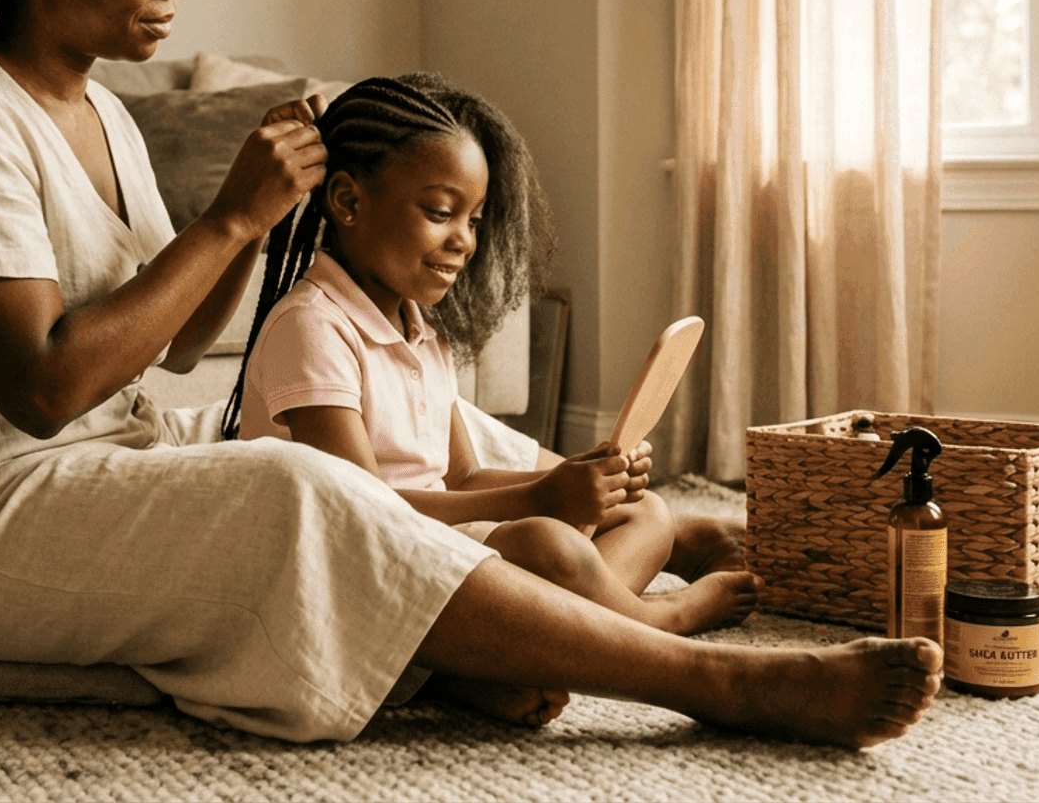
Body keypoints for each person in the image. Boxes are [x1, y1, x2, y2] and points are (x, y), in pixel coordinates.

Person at [0, 0, 941, 748]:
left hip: (88, 465)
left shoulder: (107, 116)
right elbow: (42, 388)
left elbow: (172, 350)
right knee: (297, 486)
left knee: (310, 494)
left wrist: (256, 221)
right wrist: (227, 222)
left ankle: (476, 654)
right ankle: (718, 684)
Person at [230, 75, 761, 654]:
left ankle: (536, 645)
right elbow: (360, 515)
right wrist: (536, 503)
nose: (464, 241)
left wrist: (575, 479)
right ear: (349, 202)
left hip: (441, 539)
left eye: (474, 220)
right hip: (371, 564)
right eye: (440, 212)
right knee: (549, 546)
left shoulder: (420, 331)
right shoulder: (312, 326)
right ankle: (657, 622)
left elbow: (462, 478)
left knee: (647, 512)